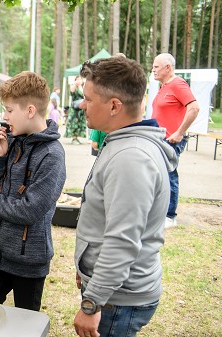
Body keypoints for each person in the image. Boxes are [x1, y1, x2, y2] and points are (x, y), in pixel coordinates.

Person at [73, 57, 177, 337]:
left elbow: (122, 241)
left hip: (118, 301)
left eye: (88, 99)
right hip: (114, 292)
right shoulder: (123, 143)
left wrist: (92, 302)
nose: (82, 105)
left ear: (114, 105)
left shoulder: (130, 158)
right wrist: (87, 269)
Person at [0, 71, 66, 311]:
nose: (3, 117)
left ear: (29, 111)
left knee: (25, 328)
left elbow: (30, 210)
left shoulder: (52, 155)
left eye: (8, 110)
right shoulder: (13, 139)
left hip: (30, 264)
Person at [151, 53, 200, 228]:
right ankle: (159, 211)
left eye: (156, 66)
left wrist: (180, 132)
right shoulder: (163, 86)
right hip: (158, 138)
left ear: (168, 68)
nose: (153, 69)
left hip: (171, 140)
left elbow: (194, 108)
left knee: (169, 174)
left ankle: (170, 216)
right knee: (158, 176)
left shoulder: (178, 84)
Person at [65, 75, 86, 144]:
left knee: (80, 122)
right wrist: (75, 84)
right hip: (74, 108)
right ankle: (74, 138)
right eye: (77, 79)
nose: (79, 81)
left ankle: (77, 137)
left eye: (80, 79)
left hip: (81, 108)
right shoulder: (73, 86)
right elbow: (72, 91)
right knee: (74, 123)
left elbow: (84, 95)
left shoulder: (82, 88)